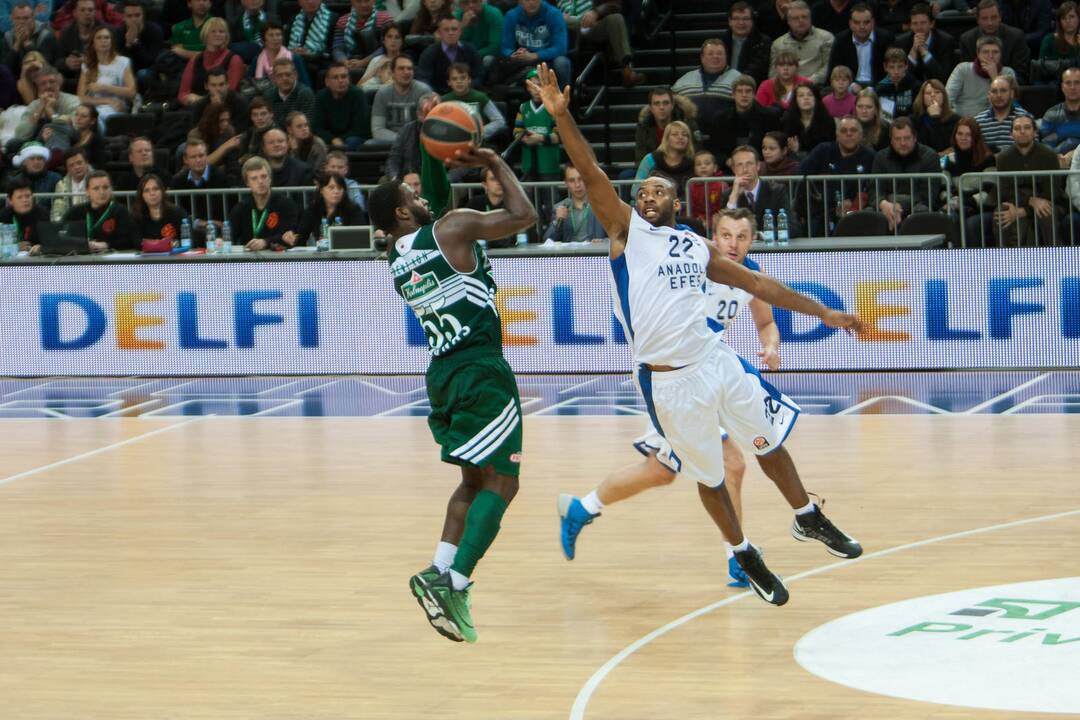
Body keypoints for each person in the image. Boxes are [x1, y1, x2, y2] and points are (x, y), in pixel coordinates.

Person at [530, 62, 865, 607]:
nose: (647, 197)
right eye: (641, 193)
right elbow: (589, 170)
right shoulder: (626, 235)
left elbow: (759, 283)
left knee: (767, 440)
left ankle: (808, 517)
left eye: (658, 192)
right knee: (706, 475)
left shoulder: (696, 246)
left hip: (714, 360)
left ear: (678, 204)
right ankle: (743, 553)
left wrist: (824, 313)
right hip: (669, 380)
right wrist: (563, 118)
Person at [368, 146, 537, 644]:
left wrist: (437, 149)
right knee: (504, 483)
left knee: (472, 481)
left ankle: (438, 568)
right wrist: (491, 160)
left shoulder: (398, 261)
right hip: (480, 369)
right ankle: (456, 584)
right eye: (410, 193)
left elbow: (433, 207)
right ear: (402, 211)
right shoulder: (452, 229)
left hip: (442, 374)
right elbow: (525, 215)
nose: (420, 194)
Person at [992, 114, 1064, 245]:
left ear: (1035, 132)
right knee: (1001, 212)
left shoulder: (1049, 155)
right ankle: (1003, 259)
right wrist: (1030, 201)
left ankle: (1056, 258)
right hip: (1016, 202)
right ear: (1011, 134)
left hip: (1049, 202)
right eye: (1017, 128)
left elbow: (1052, 191)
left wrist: (1024, 211)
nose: (1022, 131)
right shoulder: (1003, 158)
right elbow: (1005, 191)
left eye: (1027, 127)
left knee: (1045, 210)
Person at [798, 116, 877, 235]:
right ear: (837, 135)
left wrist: (854, 203)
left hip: (855, 211)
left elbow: (873, 187)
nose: (849, 134)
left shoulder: (870, 156)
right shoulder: (823, 150)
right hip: (821, 211)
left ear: (861, 135)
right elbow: (800, 173)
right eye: (844, 131)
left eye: (853, 130)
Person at [871, 116, 942, 229]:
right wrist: (883, 204)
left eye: (907, 138)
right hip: (888, 208)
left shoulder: (930, 157)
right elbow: (875, 190)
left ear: (915, 138)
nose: (903, 143)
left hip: (918, 208)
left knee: (922, 211)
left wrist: (898, 205)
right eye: (898, 139)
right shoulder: (881, 157)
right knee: (869, 213)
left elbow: (927, 196)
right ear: (891, 140)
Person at [560, 0, 644, 86]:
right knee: (569, 23)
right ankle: (577, 82)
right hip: (568, 33)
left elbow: (615, 4)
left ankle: (627, 70)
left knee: (615, 18)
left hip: (591, 28)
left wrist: (596, 12)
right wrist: (558, 18)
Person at [228, 155, 300, 250]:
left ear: (270, 178)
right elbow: (229, 236)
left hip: (279, 259)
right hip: (249, 260)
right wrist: (221, 241)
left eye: (264, 176)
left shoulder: (286, 204)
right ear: (247, 183)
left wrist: (265, 242)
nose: (260, 181)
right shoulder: (240, 208)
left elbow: (288, 235)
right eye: (254, 178)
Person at [76, 23, 135, 133]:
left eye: (107, 37)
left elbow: (131, 92)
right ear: (93, 43)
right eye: (99, 38)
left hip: (116, 108)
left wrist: (104, 88)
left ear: (111, 41)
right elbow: (81, 98)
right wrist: (106, 100)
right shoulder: (87, 65)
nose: (104, 40)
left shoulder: (123, 62)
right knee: (80, 118)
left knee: (98, 118)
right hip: (94, 107)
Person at [61, 169, 138, 252]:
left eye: (105, 187)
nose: (102, 192)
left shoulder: (121, 211)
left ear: (111, 189)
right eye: (96, 188)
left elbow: (129, 240)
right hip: (80, 259)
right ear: (87, 192)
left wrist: (106, 245)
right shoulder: (75, 212)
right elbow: (61, 236)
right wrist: (82, 244)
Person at [499, 0, 570, 88]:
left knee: (561, 62)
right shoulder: (511, 16)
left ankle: (562, 96)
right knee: (498, 62)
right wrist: (513, 54)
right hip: (522, 61)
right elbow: (505, 48)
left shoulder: (554, 14)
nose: (531, 3)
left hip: (548, 61)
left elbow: (561, 48)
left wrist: (535, 55)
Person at [286, 171, 365, 247]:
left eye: (340, 188)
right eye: (331, 188)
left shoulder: (353, 209)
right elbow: (301, 237)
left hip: (347, 256)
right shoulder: (313, 209)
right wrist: (292, 238)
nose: (336, 191)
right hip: (321, 256)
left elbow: (361, 236)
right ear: (321, 190)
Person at [178, 17, 244, 107]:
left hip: (224, 109)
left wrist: (201, 100)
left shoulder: (234, 59)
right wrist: (188, 99)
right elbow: (183, 93)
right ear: (205, 35)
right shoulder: (195, 59)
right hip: (195, 109)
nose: (218, 34)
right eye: (213, 31)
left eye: (221, 31)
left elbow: (230, 94)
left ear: (226, 36)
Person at [959, 0, 1029, 84]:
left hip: (1008, 88)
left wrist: (997, 77)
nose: (990, 23)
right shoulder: (967, 39)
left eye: (994, 17)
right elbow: (966, 74)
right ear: (977, 20)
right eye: (985, 18)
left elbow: (1021, 75)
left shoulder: (1016, 37)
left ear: (1000, 17)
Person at [826, 3, 894, 90]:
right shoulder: (841, 40)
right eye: (857, 23)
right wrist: (851, 85)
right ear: (850, 24)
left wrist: (877, 88)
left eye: (866, 22)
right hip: (850, 86)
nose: (862, 27)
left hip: (878, 86)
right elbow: (834, 69)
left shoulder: (885, 38)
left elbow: (892, 70)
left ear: (873, 22)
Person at [672, 38, 742, 119]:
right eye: (710, 54)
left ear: (726, 56)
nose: (715, 56)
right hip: (691, 129)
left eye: (719, 53)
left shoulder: (738, 79)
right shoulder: (684, 80)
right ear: (702, 57)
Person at [369, 55, 432, 144]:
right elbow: (377, 129)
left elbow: (426, 127)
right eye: (401, 68)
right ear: (392, 73)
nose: (406, 72)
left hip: (415, 141)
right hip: (390, 139)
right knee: (369, 144)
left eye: (409, 69)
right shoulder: (382, 93)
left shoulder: (423, 91)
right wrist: (401, 139)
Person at [769, 0, 833, 86]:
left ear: (810, 18)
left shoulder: (826, 38)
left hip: (816, 88)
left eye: (804, 17)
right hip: (786, 90)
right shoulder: (778, 44)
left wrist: (808, 82)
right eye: (795, 18)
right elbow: (773, 74)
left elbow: (828, 66)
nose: (801, 21)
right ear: (788, 21)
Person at [441, 62, 507, 144]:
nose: (459, 82)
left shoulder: (480, 98)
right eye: (454, 79)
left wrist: (479, 133)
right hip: (452, 142)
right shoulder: (443, 101)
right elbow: (438, 124)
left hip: (477, 143)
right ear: (449, 82)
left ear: (469, 80)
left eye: (463, 78)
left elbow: (499, 120)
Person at [514, 68, 561, 180]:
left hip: (549, 165)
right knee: (529, 196)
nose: (536, 89)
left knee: (550, 197)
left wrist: (539, 138)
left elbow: (559, 136)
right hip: (528, 163)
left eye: (540, 85)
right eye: (533, 85)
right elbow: (517, 132)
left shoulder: (554, 107)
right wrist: (523, 138)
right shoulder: (523, 107)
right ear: (528, 87)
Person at [634, 86, 699, 166]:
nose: (661, 107)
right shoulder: (643, 127)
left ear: (672, 105)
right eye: (656, 103)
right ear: (650, 108)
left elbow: (697, 153)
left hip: (683, 168)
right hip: (653, 169)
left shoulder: (687, 124)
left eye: (666, 103)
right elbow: (640, 157)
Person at [417, 15, 482, 94]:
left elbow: (479, 76)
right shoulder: (429, 53)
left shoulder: (470, 50)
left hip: (467, 95)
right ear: (440, 33)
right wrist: (433, 94)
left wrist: (463, 89)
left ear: (460, 32)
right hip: (438, 97)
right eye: (446, 30)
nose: (451, 32)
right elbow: (423, 79)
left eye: (454, 29)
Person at [464, 165, 525, 247]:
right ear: (485, 185)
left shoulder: (515, 205)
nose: (499, 182)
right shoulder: (474, 204)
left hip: (510, 253)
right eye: (493, 179)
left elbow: (522, 235)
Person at [313, 60, 369, 149]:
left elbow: (360, 129)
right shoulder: (320, 96)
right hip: (330, 139)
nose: (340, 81)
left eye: (344, 77)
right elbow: (316, 127)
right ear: (327, 82)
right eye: (335, 77)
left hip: (352, 139)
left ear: (349, 79)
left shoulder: (358, 94)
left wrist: (340, 140)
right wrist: (332, 139)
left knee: (352, 141)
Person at [896, 3, 956, 84]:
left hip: (937, 90)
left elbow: (944, 77)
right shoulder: (901, 42)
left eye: (923, 23)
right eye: (915, 23)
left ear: (932, 24)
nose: (919, 27)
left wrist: (924, 52)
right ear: (910, 26)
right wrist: (913, 50)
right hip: (913, 90)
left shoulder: (946, 41)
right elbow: (901, 78)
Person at [544, 163, 605, 242]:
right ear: (566, 183)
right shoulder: (559, 207)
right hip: (569, 254)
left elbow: (618, 236)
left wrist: (604, 241)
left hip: (595, 253)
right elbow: (547, 241)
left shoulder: (602, 206)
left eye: (581, 179)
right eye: (572, 181)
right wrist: (556, 222)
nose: (577, 185)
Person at [633, 120, 693, 200]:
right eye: (675, 134)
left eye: (685, 135)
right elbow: (635, 190)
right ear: (666, 138)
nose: (680, 137)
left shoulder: (693, 162)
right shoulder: (650, 159)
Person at [974, 75, 1032, 152]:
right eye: (994, 91)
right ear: (989, 95)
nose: (999, 95)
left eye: (1003, 91)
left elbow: (1033, 151)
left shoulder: (1027, 119)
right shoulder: (978, 121)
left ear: (1011, 94)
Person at [720, 1, 772, 85]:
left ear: (752, 21)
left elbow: (756, 71)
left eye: (745, 19)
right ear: (730, 21)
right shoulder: (721, 42)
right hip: (724, 87)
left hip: (752, 89)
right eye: (736, 19)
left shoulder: (763, 42)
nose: (741, 23)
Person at [132, 173, 188, 249]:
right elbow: (136, 242)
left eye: (155, 189)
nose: (152, 193)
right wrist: (161, 244)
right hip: (147, 259)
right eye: (147, 190)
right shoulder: (137, 216)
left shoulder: (177, 213)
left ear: (162, 191)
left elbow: (187, 240)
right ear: (142, 195)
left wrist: (156, 244)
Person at [0, 1, 57, 76]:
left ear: (33, 17)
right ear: (12, 19)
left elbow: (44, 67)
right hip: (16, 80)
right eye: (18, 18)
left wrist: (28, 45)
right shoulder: (8, 37)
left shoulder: (46, 35)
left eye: (26, 18)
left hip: (41, 80)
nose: (22, 22)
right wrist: (16, 46)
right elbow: (5, 70)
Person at [116, 0, 163, 88]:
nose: (134, 19)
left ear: (143, 16)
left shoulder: (154, 31)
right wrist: (128, 45)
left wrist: (135, 44)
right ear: (124, 18)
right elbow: (119, 63)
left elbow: (150, 62)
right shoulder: (119, 32)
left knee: (142, 74)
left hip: (148, 70)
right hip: (127, 71)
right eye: (129, 16)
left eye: (137, 15)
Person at [781, 81, 834, 157]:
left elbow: (829, 150)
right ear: (796, 100)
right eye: (801, 96)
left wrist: (798, 151)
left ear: (816, 99)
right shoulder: (788, 121)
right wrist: (794, 152)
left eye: (810, 95)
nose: (806, 98)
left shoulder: (827, 121)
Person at [287, 0, 337, 79]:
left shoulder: (333, 19)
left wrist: (311, 54)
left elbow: (333, 50)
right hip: (295, 60)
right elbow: (285, 45)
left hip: (320, 62)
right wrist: (293, 51)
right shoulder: (294, 20)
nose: (310, 2)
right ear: (299, 2)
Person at [264, 56, 316, 127]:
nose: (284, 78)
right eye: (279, 75)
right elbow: (268, 123)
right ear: (273, 78)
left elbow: (308, 125)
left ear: (295, 75)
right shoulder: (268, 95)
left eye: (288, 74)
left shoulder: (305, 93)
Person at [1039, 67, 1080, 157]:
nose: (1072, 87)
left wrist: (1072, 154)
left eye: (1077, 83)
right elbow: (1046, 146)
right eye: (1068, 83)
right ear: (1062, 87)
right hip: (1058, 162)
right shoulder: (1051, 114)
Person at [1, 177, 48, 252]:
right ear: (10, 200)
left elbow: (49, 241)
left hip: (36, 260)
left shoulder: (42, 214)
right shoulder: (3, 216)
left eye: (28, 196)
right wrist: (15, 248)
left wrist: (41, 247)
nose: (25, 200)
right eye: (19, 197)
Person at [910, 78, 958, 153]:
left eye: (937, 92)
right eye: (928, 93)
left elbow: (943, 145)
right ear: (922, 97)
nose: (933, 95)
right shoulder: (913, 120)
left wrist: (935, 119)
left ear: (944, 96)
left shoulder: (955, 120)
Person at [875, 47, 919, 119]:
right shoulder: (880, 89)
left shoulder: (915, 86)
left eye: (900, 67)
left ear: (906, 66)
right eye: (892, 67)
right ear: (885, 67)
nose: (896, 72)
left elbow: (918, 113)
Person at [50, 146, 91, 222]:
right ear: (67, 169)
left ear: (86, 162)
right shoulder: (61, 185)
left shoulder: (99, 180)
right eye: (71, 165)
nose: (76, 167)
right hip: (71, 226)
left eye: (79, 163)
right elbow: (58, 210)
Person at [356, 23, 402, 91]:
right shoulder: (376, 60)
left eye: (397, 37)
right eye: (389, 36)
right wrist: (376, 68)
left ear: (401, 41)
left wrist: (384, 78)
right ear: (383, 40)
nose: (393, 40)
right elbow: (358, 87)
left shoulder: (405, 62)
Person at [687, 149, 725, 226]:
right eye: (698, 164)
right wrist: (697, 220)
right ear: (694, 169)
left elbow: (722, 209)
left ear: (715, 168)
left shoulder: (721, 185)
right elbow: (691, 209)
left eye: (707, 163)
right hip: (698, 222)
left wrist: (710, 222)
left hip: (717, 223)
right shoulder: (691, 186)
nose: (703, 166)